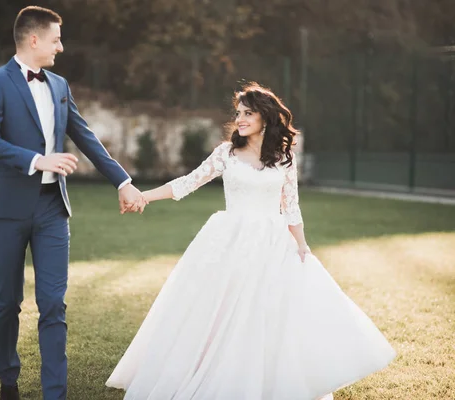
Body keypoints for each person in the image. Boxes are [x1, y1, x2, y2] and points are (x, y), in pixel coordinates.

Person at [106, 82, 396, 400]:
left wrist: (301, 245)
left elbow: (291, 205)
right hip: (229, 240)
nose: (240, 119)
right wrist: (143, 196)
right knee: (222, 310)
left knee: (267, 313)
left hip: (272, 242)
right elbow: (188, 183)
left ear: (265, 118)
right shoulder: (226, 154)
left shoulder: (284, 157)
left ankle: (264, 383)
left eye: (248, 113)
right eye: (238, 113)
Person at [0, 6, 146, 400]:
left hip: (53, 208)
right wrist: (37, 160)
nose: (61, 47)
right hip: (5, 210)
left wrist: (122, 181)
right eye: (55, 39)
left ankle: (55, 393)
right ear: (33, 39)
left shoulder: (59, 84)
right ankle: (8, 380)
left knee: (53, 303)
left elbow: (85, 137)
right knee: (8, 302)